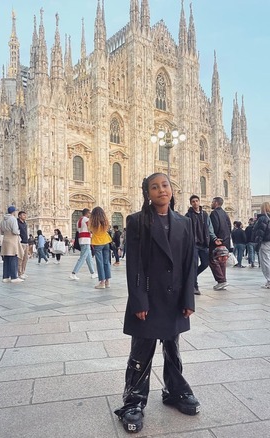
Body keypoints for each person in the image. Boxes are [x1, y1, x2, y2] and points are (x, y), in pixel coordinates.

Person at [114, 172, 198, 433]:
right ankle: (134, 401)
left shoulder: (184, 223)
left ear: (172, 190)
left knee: (173, 348)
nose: (161, 190)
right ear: (147, 193)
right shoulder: (137, 221)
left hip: (174, 299)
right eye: (155, 187)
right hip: (148, 299)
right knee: (142, 351)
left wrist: (188, 299)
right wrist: (139, 300)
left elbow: (189, 264)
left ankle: (174, 391)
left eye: (165, 185)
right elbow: (134, 266)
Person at [184, 195, 211, 295]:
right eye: (193, 201)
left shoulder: (205, 214)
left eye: (196, 201)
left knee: (205, 264)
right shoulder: (188, 215)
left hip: (204, 243)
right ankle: (195, 286)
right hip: (194, 244)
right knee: (194, 265)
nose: (195, 203)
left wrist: (213, 238)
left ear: (199, 202)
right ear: (191, 203)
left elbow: (208, 227)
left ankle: (192, 277)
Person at [253, 202, 270, 289]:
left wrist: (257, 243)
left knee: (265, 262)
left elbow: (260, 232)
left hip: (265, 242)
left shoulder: (263, 218)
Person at [209, 197, 232, 290]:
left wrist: (215, 239)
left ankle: (221, 280)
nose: (211, 203)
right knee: (222, 261)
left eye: (212, 202)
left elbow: (214, 227)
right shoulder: (225, 213)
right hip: (225, 241)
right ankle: (223, 280)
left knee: (213, 260)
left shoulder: (214, 213)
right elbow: (229, 227)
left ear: (216, 203)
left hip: (217, 241)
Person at [70, 208, 98, 281]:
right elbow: (91, 229)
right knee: (82, 258)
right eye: (89, 213)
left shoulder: (79, 220)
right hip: (86, 240)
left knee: (89, 258)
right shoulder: (86, 220)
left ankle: (93, 273)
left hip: (82, 240)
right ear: (87, 213)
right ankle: (73, 273)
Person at [89, 206, 113, 289]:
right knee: (106, 262)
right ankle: (107, 282)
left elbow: (90, 230)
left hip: (98, 243)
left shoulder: (92, 222)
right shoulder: (105, 221)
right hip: (106, 242)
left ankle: (102, 282)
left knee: (100, 263)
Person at [0, 206, 23, 283]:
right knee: (13, 257)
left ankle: (5, 277)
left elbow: (1, 231)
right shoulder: (13, 219)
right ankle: (14, 277)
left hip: (5, 239)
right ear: (13, 212)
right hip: (12, 240)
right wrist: (19, 232)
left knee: (6, 258)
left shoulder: (3, 220)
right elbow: (15, 231)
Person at [17, 211, 29, 279]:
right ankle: (19, 273)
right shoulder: (17, 223)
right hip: (21, 243)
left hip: (26, 242)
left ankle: (23, 272)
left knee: (25, 258)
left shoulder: (25, 223)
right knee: (20, 258)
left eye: (25, 215)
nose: (25, 216)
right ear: (19, 216)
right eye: (23, 215)